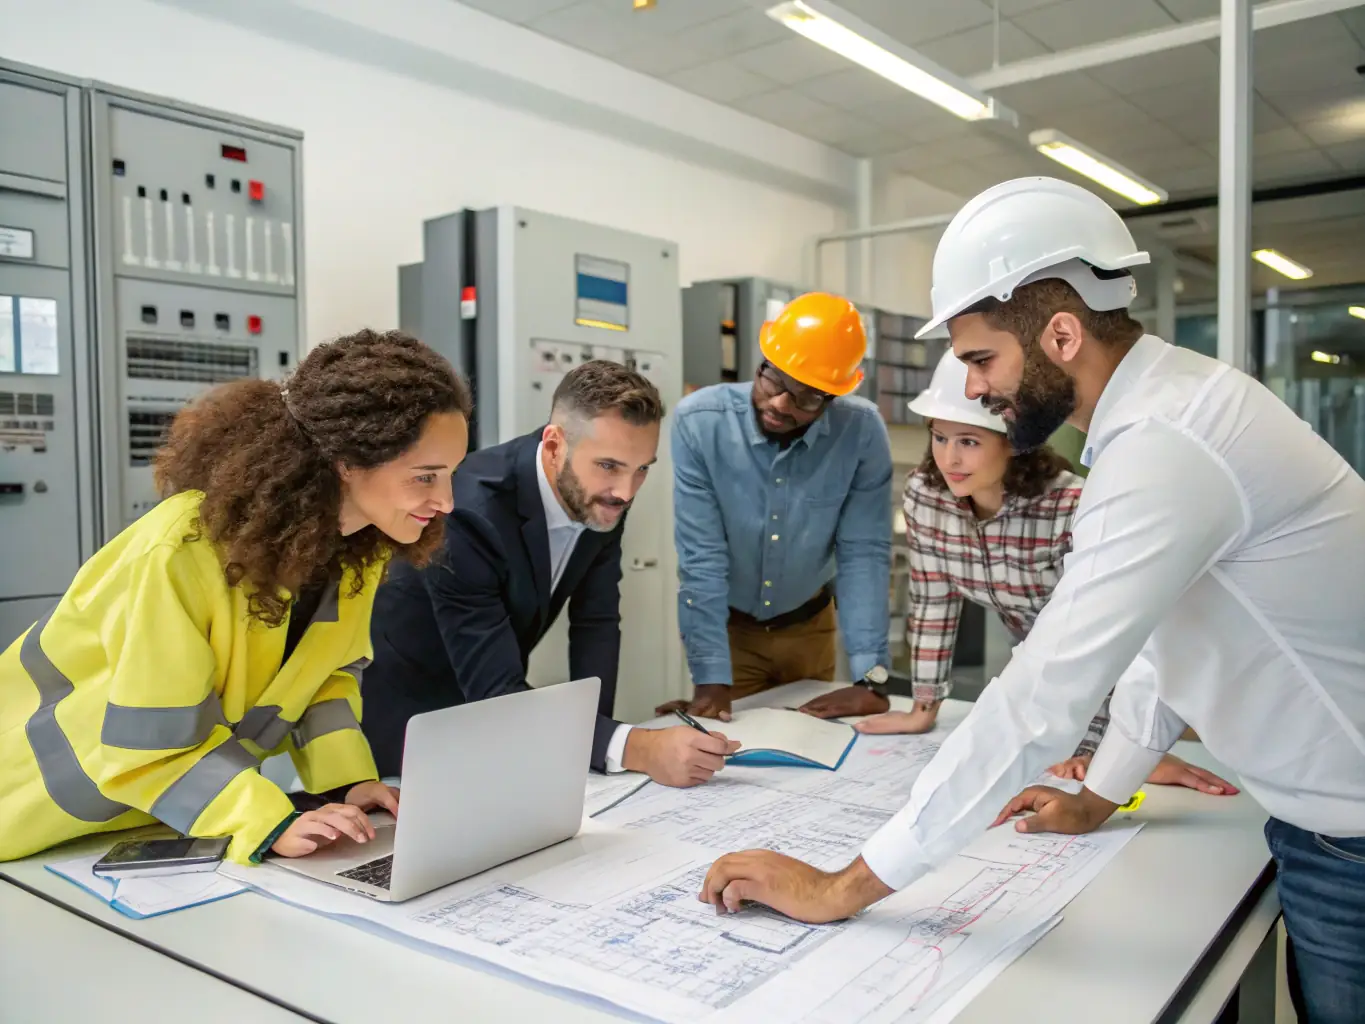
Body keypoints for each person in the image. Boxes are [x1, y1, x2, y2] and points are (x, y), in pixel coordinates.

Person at [698, 177, 1365, 1024]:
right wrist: (1098, 796)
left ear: (1060, 334)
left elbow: (1044, 694)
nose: (972, 388)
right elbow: (1167, 645)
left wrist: (843, 886)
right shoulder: (1173, 413)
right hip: (1325, 827)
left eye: (981, 359)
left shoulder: (1164, 445)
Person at [0, 329, 472, 865]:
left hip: (154, 818)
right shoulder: (181, 550)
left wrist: (347, 784)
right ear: (347, 461)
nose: (447, 501)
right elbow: (149, 746)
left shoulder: (354, 551)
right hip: (29, 816)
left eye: (450, 475)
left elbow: (322, 685)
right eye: (425, 477)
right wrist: (263, 820)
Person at [803, 350, 1235, 795]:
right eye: (940, 437)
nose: (949, 458)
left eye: (969, 442)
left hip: (1162, 674)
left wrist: (1106, 747)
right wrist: (923, 708)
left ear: (1012, 441)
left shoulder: (1073, 507)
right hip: (1059, 683)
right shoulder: (926, 497)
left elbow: (1108, 636)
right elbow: (934, 604)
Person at [361, 360, 738, 788]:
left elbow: (596, 621)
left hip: (500, 713)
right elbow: (496, 694)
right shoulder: (468, 513)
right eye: (609, 466)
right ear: (555, 445)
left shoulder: (601, 495)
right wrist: (632, 746)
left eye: (642, 469)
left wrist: (597, 746)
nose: (626, 491)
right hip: (410, 717)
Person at [657, 292, 893, 724]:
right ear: (762, 361)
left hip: (810, 629)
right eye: (774, 380)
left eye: (807, 397)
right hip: (732, 633)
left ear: (832, 397)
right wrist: (710, 676)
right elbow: (701, 557)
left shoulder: (860, 432)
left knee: (810, 748)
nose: (781, 404)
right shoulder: (700, 423)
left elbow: (863, 553)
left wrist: (870, 677)